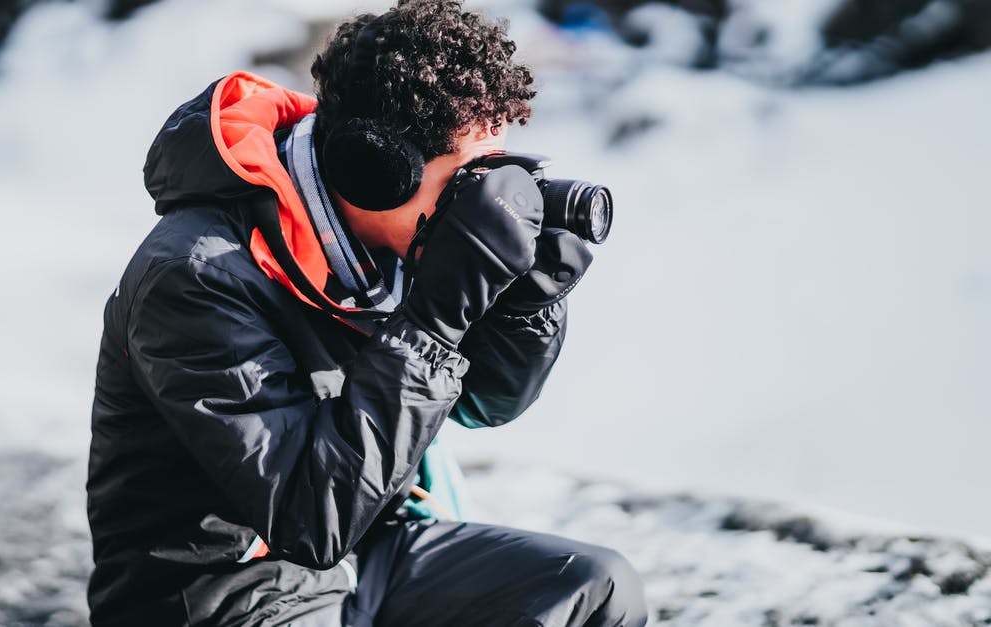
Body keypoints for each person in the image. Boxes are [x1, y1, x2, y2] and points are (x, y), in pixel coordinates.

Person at [86, 1, 648, 625]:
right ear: (375, 171)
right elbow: (310, 522)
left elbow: (485, 403)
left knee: (597, 588)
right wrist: (434, 322)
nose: (482, 205)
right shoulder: (196, 274)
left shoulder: (395, 244)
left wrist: (526, 303)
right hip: (226, 591)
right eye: (468, 179)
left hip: (367, 554)